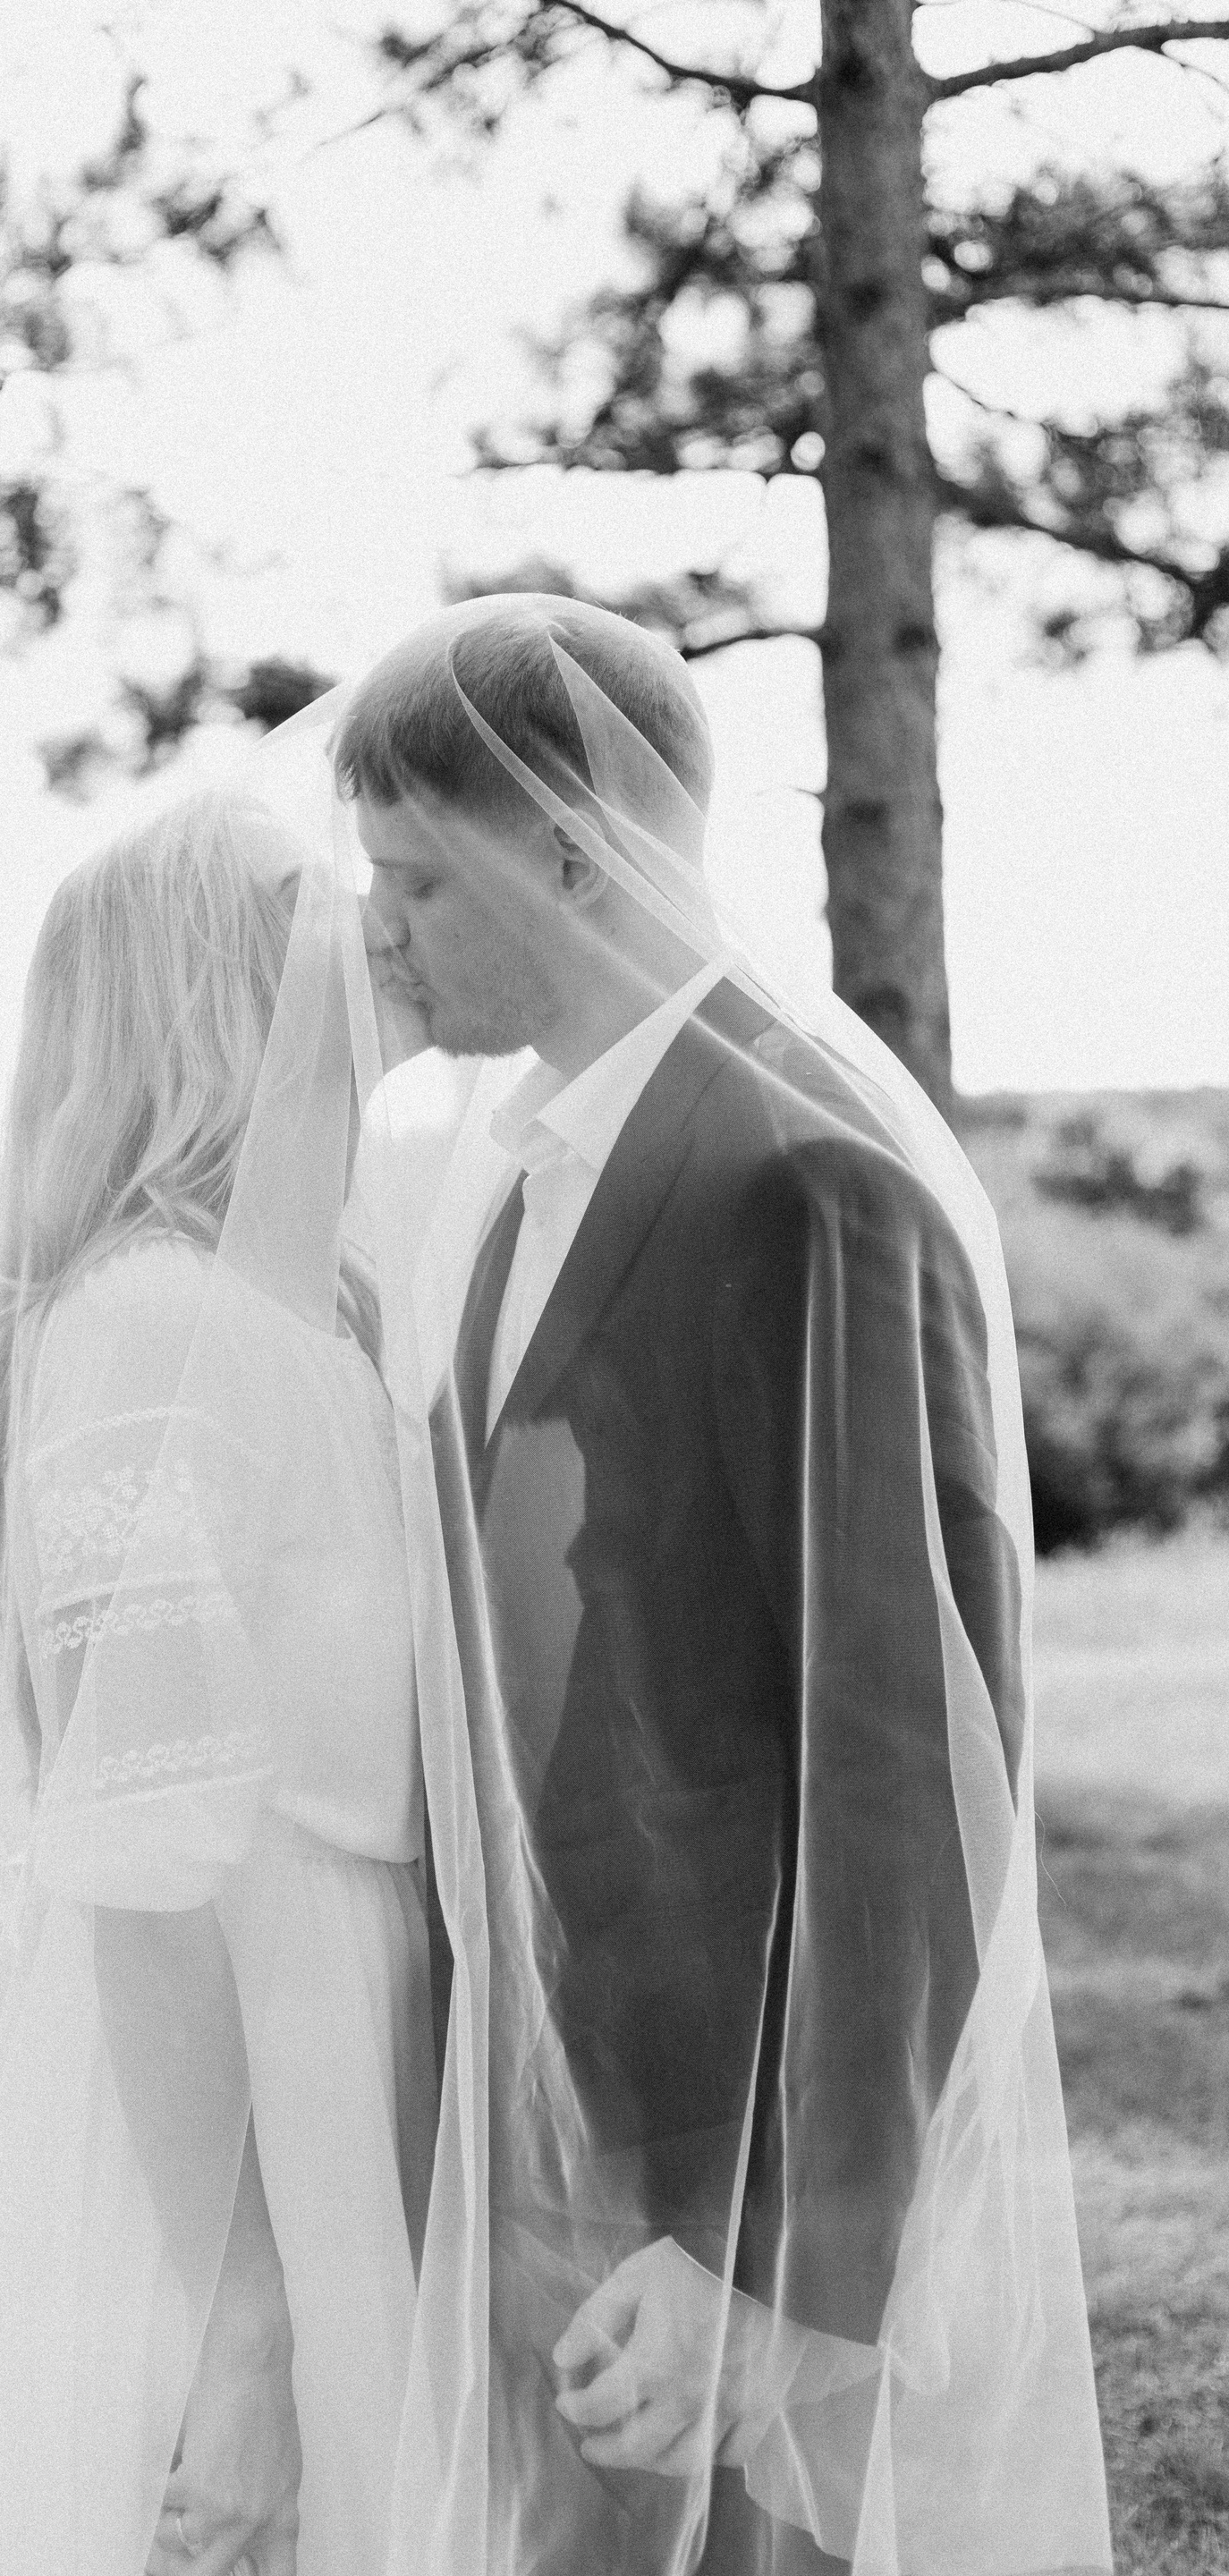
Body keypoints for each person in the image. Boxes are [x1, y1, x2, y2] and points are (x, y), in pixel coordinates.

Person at [329, 594, 1112, 2574]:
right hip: (544, 2119)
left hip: (720, 2172)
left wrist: (787, 2270)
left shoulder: (801, 1171)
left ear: (570, 849)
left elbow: (907, 1754)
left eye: (419, 879)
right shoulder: (513, 1172)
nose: (379, 934)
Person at [0, 793, 435, 2576]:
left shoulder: (331, 1312)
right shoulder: (148, 1327)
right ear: (213, 996)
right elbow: (144, 1872)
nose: (375, 926)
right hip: (224, 2094)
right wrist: (246, 2324)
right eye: (315, 912)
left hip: (363, 2031)